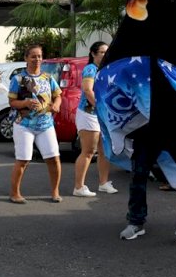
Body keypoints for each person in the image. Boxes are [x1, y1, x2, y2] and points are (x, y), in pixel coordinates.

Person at [8, 44, 63, 203]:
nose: (37, 59)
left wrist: (57, 104)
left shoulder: (47, 77)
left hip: (46, 124)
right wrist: (24, 103)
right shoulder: (18, 78)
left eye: (39, 56)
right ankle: (15, 193)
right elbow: (12, 102)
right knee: (23, 160)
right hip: (24, 125)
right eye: (33, 56)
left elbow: (58, 95)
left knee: (54, 158)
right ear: (26, 58)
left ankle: (55, 191)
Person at [72, 41, 118, 198]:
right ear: (93, 54)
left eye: (107, 52)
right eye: (102, 52)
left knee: (104, 150)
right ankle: (79, 187)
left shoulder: (106, 70)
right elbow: (87, 90)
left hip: (102, 115)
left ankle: (104, 183)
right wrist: (100, 107)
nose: (105, 55)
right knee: (88, 151)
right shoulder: (90, 69)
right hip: (89, 114)